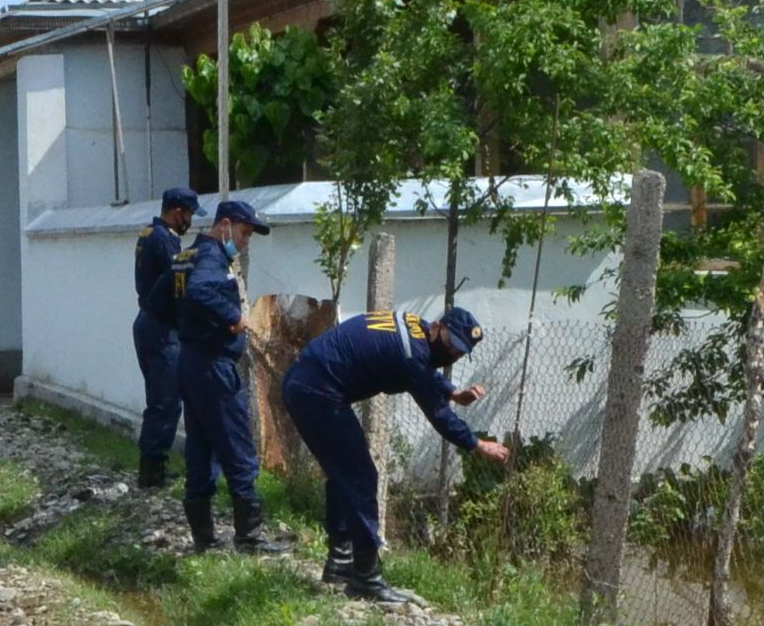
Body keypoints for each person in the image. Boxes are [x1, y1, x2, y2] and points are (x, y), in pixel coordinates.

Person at [281, 306, 511, 602]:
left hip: (309, 384)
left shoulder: (416, 329)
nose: (452, 353)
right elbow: (438, 412)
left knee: (345, 475)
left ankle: (340, 560)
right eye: (451, 344)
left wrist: (452, 391)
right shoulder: (412, 353)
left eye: (459, 352)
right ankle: (366, 577)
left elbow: (423, 371)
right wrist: (477, 445)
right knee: (361, 478)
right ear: (438, 326)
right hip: (317, 393)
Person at [173, 198, 291, 556]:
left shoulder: (186, 257)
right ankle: (250, 538)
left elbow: (165, 299)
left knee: (201, 449)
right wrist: (231, 317)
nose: (244, 242)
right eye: (243, 233)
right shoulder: (210, 259)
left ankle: (204, 539)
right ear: (224, 225)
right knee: (238, 448)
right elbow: (201, 291)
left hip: (191, 362)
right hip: (213, 366)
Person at [133, 187, 201, 488]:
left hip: (149, 325)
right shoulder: (164, 240)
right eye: (188, 214)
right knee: (166, 402)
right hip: (161, 329)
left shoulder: (149, 233)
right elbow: (179, 283)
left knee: (159, 399)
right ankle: (153, 472)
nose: (189, 221)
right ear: (177, 212)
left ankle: (151, 466)